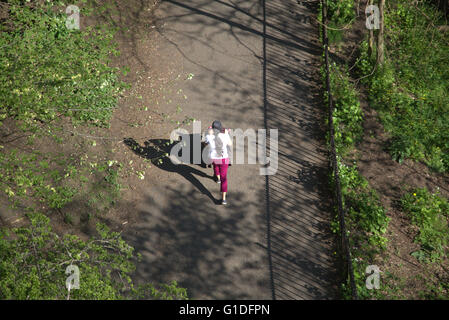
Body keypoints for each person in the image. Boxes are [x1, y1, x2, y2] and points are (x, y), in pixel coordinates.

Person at [204, 120, 232, 205]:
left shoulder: (209, 136)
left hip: (214, 157)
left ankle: (217, 179)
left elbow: (205, 143)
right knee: (225, 178)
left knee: (215, 166)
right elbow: (230, 144)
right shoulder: (224, 135)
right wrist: (227, 133)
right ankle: (223, 199)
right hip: (224, 158)